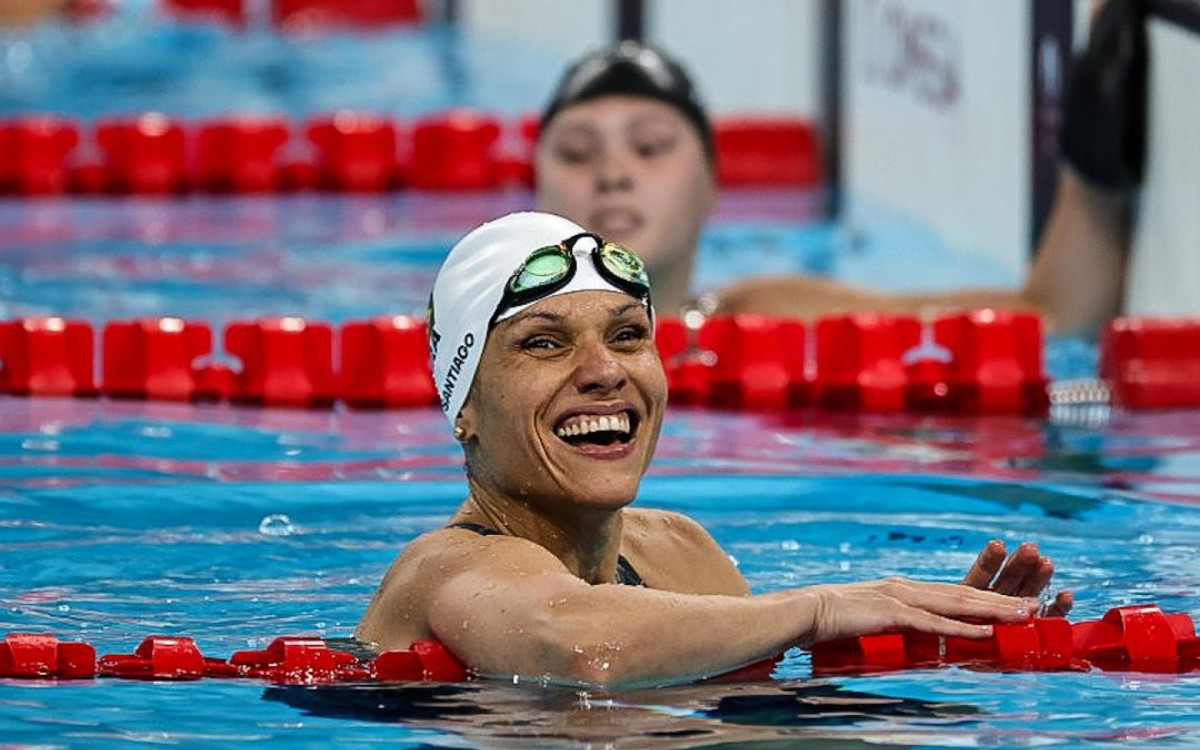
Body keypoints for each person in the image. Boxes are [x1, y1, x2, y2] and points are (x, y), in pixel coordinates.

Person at [356, 211, 1070, 687]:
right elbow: (575, 645)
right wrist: (824, 609)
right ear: (465, 410)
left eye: (629, 335)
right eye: (544, 343)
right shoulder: (444, 570)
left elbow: (746, 721)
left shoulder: (679, 552)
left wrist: (934, 652)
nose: (606, 370)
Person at [533, 0, 1144, 337]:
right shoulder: (479, 345)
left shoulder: (772, 318)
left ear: (710, 186)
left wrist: (1090, 163)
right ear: (534, 189)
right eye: (577, 154)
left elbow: (1058, 315)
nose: (612, 173)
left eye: (651, 147)